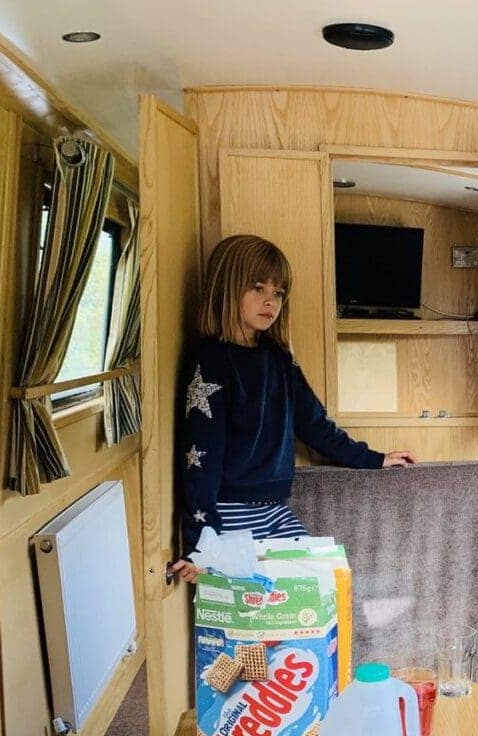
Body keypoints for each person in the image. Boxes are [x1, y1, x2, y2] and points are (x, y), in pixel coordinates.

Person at [168, 235, 414, 581]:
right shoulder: (210, 362)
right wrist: (200, 546)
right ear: (227, 288)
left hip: (275, 510)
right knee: (258, 616)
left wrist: (373, 458)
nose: (270, 301)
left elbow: (314, 424)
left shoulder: (279, 360)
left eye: (278, 293)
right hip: (229, 513)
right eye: (257, 288)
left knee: (318, 589)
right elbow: (199, 460)